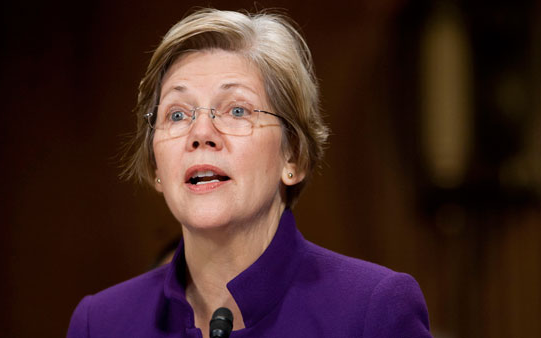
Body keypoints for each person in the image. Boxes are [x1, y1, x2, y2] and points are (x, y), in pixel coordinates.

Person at [67, 8, 432, 338]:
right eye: (177, 114)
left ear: (294, 157)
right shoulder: (99, 323)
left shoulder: (372, 311)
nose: (201, 134)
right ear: (155, 166)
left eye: (237, 110)